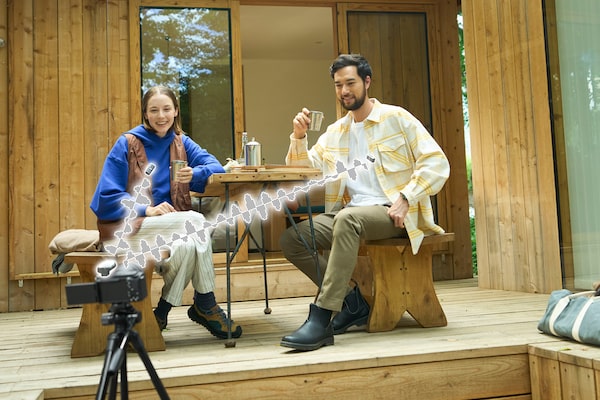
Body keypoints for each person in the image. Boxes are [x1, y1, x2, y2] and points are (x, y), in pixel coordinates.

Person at [279, 54, 450, 351]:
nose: (344, 90)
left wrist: (406, 197)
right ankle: (350, 299)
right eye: (338, 85)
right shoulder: (335, 132)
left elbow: (436, 162)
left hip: (393, 214)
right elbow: (302, 170)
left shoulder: (396, 118)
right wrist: (298, 137)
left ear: (367, 82)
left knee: (348, 219)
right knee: (294, 238)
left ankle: (322, 316)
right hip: (351, 214)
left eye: (350, 83)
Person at [90, 85, 242, 339]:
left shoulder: (180, 142)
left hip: (170, 227)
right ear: (145, 114)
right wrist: (146, 209)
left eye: (166, 109)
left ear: (175, 111)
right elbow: (105, 199)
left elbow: (216, 167)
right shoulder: (126, 143)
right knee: (196, 220)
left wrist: (196, 173)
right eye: (154, 110)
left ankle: (160, 312)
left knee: (188, 246)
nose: (161, 116)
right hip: (130, 229)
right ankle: (206, 302)